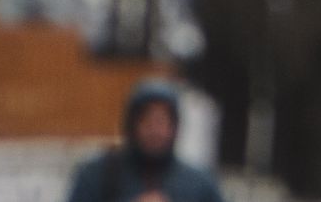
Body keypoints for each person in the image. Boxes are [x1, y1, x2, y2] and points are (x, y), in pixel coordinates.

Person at [65, 80, 224, 202]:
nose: (155, 131)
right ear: (131, 124)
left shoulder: (198, 184)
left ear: (175, 127)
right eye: (147, 121)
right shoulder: (98, 175)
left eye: (162, 122)